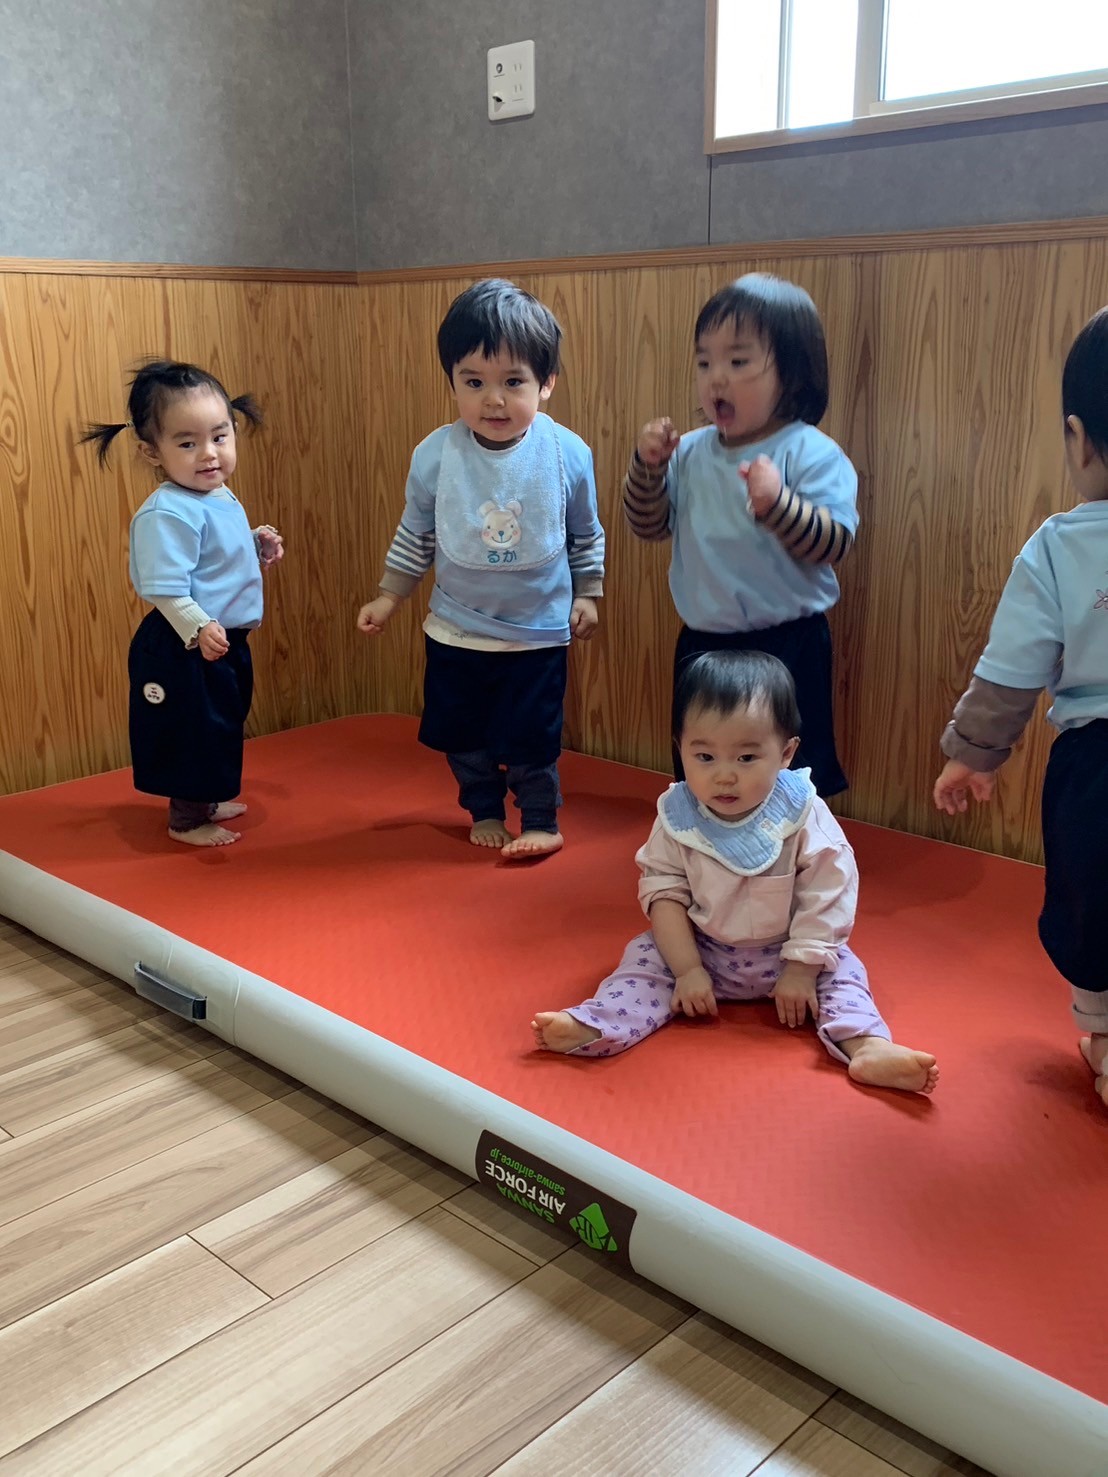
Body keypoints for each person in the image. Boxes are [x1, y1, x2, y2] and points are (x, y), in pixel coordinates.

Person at [533, 650, 938, 1094]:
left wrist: (802, 969)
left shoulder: (803, 814)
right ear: (680, 749)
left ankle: (867, 1047)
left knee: (844, 974)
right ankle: (597, 1025)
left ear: (785, 753)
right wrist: (687, 969)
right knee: (643, 959)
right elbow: (664, 894)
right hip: (703, 948)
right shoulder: (679, 815)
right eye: (705, 756)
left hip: (791, 951)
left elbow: (829, 893)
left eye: (746, 758)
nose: (724, 776)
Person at [357, 278, 604, 859]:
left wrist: (588, 593)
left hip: (536, 634)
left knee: (533, 739)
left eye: (513, 382)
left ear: (546, 383)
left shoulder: (567, 454)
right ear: (452, 382)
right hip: (456, 630)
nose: (493, 400)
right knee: (462, 735)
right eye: (474, 382)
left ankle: (539, 818)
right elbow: (417, 533)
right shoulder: (435, 456)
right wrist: (389, 596)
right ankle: (484, 808)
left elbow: (584, 532)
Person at [934, 306, 1108, 1110]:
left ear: (1078, 439)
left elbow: (1011, 672)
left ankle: (1102, 1035)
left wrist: (972, 754)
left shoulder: (1059, 547)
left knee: (1093, 905)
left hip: (1095, 769)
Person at [624, 273, 857, 797]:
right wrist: (648, 468)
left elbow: (834, 543)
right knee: (704, 769)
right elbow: (648, 524)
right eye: (705, 363)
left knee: (794, 776)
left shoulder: (809, 451)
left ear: (792, 374)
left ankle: (800, 845)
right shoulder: (690, 450)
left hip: (788, 643)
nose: (716, 379)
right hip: (704, 642)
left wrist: (778, 506)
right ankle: (703, 842)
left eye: (738, 361)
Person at [82, 360, 283, 847]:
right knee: (193, 728)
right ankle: (187, 818)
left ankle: (205, 799)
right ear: (152, 451)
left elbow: (214, 558)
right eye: (187, 443)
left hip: (222, 639)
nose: (209, 454)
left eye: (219, 436)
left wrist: (254, 543)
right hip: (184, 642)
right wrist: (196, 627)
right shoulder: (167, 512)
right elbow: (165, 587)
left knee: (223, 723)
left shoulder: (217, 495)